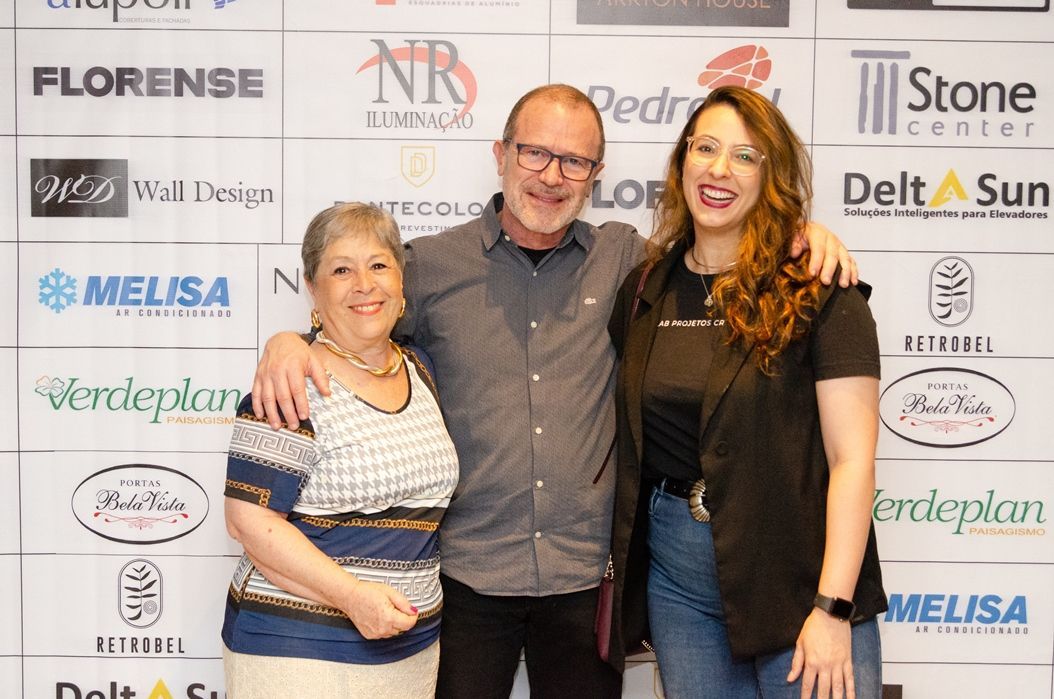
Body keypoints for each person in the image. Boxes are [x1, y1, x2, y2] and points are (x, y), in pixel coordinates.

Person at [250, 84, 857, 698]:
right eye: (535, 153)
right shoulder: (429, 266)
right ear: (501, 153)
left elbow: (716, 255)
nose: (551, 177)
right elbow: (358, 310)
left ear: (595, 174)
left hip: (586, 581)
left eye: (575, 162)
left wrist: (800, 234)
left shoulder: (627, 262)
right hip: (466, 579)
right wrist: (292, 341)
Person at [605, 86, 886, 699]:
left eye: (745, 156)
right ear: (681, 162)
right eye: (705, 148)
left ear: (770, 175)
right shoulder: (645, 286)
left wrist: (833, 609)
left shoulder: (819, 287)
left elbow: (852, 461)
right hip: (679, 586)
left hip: (798, 573)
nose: (719, 169)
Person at [221, 203, 459, 698]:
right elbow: (249, 523)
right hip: (298, 653)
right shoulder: (290, 386)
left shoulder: (419, 367)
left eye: (378, 265)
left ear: (400, 280)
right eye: (341, 270)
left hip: (409, 650)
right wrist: (354, 598)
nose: (364, 284)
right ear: (312, 286)